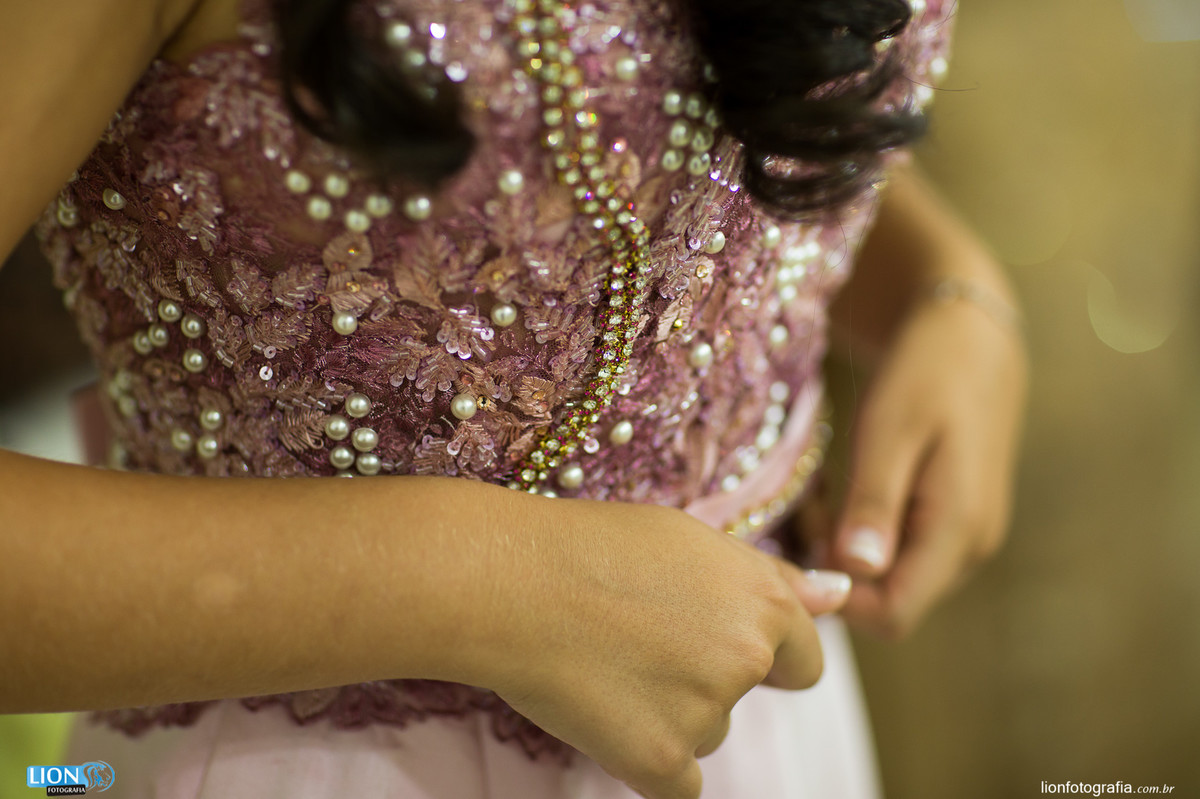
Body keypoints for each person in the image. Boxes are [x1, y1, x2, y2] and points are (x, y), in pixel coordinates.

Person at [0, 0, 1027, 796]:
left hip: (752, 710)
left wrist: (949, 285)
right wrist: (484, 583)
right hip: (312, 754)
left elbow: (663, 103)